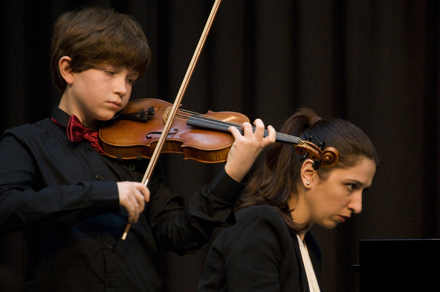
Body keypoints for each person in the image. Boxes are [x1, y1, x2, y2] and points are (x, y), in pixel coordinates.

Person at [0, 6, 276, 291]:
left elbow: (181, 234)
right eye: (110, 72)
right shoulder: (25, 142)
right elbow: (6, 206)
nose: (122, 89)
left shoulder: (134, 151)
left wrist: (233, 172)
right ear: (68, 69)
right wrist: (105, 194)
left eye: (130, 79)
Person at [197, 108, 378, 292]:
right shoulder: (259, 225)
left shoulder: (310, 248)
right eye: (351, 186)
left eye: (363, 190)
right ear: (309, 173)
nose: (358, 206)